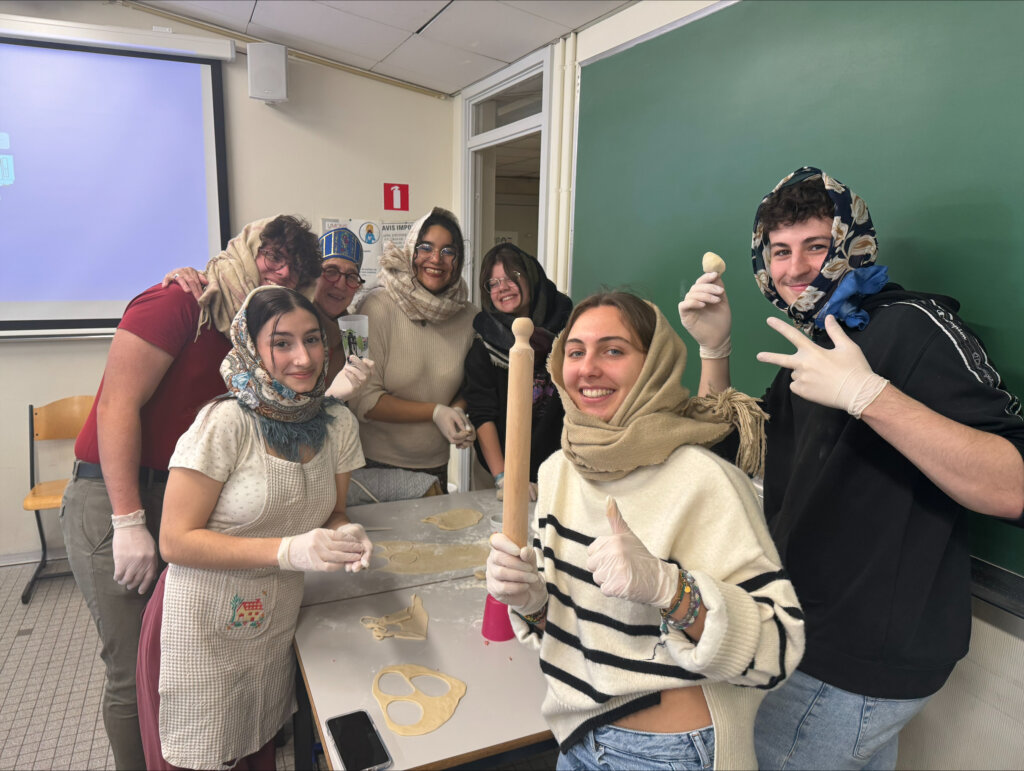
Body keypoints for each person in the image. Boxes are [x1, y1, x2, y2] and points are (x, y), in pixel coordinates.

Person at [679, 166, 1024, 770]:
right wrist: (714, 350)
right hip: (806, 628)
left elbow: (1014, 485)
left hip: (858, 653)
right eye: (779, 252)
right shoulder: (811, 342)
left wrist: (869, 395)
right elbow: (744, 451)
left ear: (852, 243)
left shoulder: (915, 326)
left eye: (816, 245)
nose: (794, 269)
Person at [486, 291, 805, 770]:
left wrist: (670, 588)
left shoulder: (703, 480)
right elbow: (570, 629)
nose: (588, 368)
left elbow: (777, 648)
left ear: (653, 364)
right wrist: (531, 604)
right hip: (575, 735)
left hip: (669, 754)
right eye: (576, 352)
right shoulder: (558, 471)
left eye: (613, 350)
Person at [60, 215, 322, 770]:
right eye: (270, 257)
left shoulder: (256, 330)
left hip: (191, 500)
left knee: (181, 658)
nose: (276, 273)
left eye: (292, 272)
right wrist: (129, 522)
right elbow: (115, 406)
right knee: (134, 670)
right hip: (118, 495)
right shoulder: (182, 302)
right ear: (248, 249)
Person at [136, 285, 371, 770]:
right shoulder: (224, 424)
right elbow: (175, 541)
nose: (303, 357)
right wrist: (288, 552)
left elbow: (334, 512)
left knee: (254, 744)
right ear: (250, 347)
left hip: (272, 621)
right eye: (281, 342)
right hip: (199, 625)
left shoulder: (337, 425)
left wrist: (347, 534)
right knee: (199, 752)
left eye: (312, 339)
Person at [346, 207, 478, 490]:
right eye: (426, 247)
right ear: (410, 251)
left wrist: (456, 413)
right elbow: (364, 400)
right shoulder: (378, 307)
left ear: (458, 260)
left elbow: (472, 384)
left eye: (448, 251)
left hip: (436, 464)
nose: (436, 259)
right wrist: (434, 412)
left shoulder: (468, 317)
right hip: (375, 464)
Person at [166, 225, 372, 386]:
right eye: (331, 271)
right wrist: (189, 274)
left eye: (352, 276)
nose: (341, 284)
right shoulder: (279, 315)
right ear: (312, 276)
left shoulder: (352, 335)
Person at [462, 242, 572, 499]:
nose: (503, 288)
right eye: (493, 283)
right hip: (500, 469)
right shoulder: (484, 345)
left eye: (512, 278)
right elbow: (482, 415)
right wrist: (504, 478)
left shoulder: (568, 330)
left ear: (531, 277)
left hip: (560, 469)